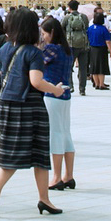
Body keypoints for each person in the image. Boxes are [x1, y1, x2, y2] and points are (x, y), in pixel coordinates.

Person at [0, 8, 67, 217]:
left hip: (6, 103)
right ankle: (41, 198)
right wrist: (56, 89)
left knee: (12, 151)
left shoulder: (4, 49)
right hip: (29, 106)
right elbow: (36, 82)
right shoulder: (33, 53)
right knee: (39, 152)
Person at [40, 17, 75, 192]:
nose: (43, 36)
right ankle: (68, 175)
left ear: (52, 33)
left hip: (51, 93)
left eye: (44, 33)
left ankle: (56, 177)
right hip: (65, 94)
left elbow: (38, 62)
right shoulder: (67, 50)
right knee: (65, 133)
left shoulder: (51, 49)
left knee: (55, 134)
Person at [61, 1, 90, 96]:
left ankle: (70, 86)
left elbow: (62, 30)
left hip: (71, 45)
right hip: (83, 44)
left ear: (69, 7)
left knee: (69, 67)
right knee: (83, 68)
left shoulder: (66, 18)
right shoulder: (84, 17)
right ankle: (82, 89)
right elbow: (86, 28)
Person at [86, 12, 110, 90]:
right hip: (101, 49)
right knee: (101, 67)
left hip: (92, 48)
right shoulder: (103, 29)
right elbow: (108, 41)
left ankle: (96, 83)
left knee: (94, 67)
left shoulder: (90, 28)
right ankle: (101, 84)